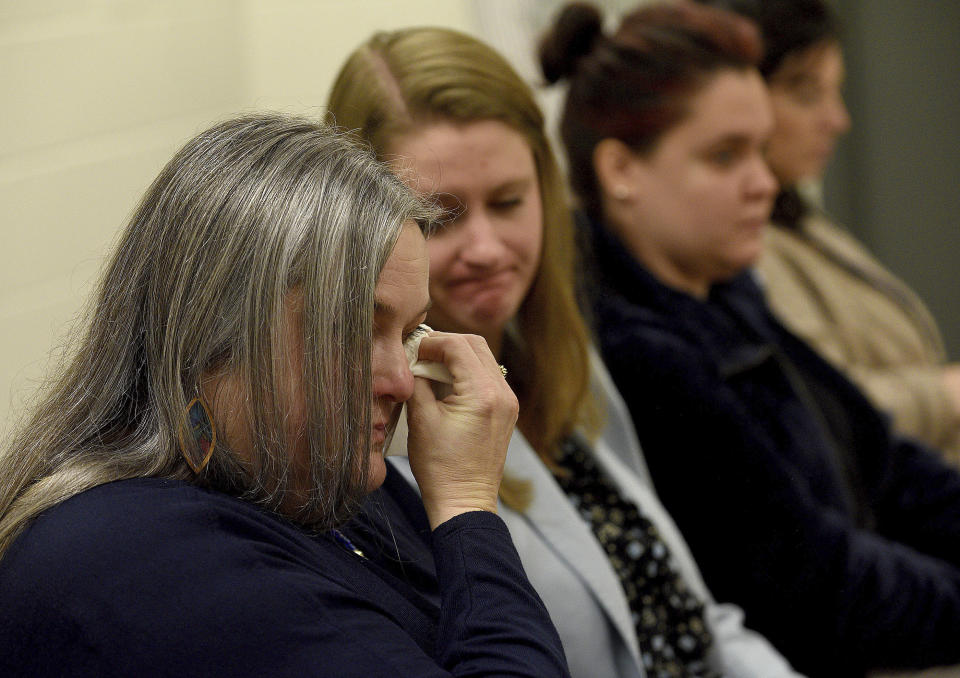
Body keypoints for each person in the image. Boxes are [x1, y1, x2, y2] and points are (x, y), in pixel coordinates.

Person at [0, 114, 572, 678]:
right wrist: (468, 503)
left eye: (408, 334)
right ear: (212, 335)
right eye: (350, 331)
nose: (400, 381)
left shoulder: (321, 473)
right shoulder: (137, 555)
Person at [328, 24, 801, 678]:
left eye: (509, 202)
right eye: (439, 217)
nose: (488, 247)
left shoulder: (552, 352)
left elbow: (690, 614)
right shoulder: (376, 434)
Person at [545, 1, 960, 676]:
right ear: (621, 170)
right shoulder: (634, 351)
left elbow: (885, 462)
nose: (764, 184)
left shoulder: (725, 294)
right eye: (725, 156)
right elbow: (817, 587)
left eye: (762, 151)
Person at [698, 0, 960, 460]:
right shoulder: (738, 242)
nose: (838, 120)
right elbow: (818, 405)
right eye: (807, 94)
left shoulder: (797, 217)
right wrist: (945, 394)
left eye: (835, 92)